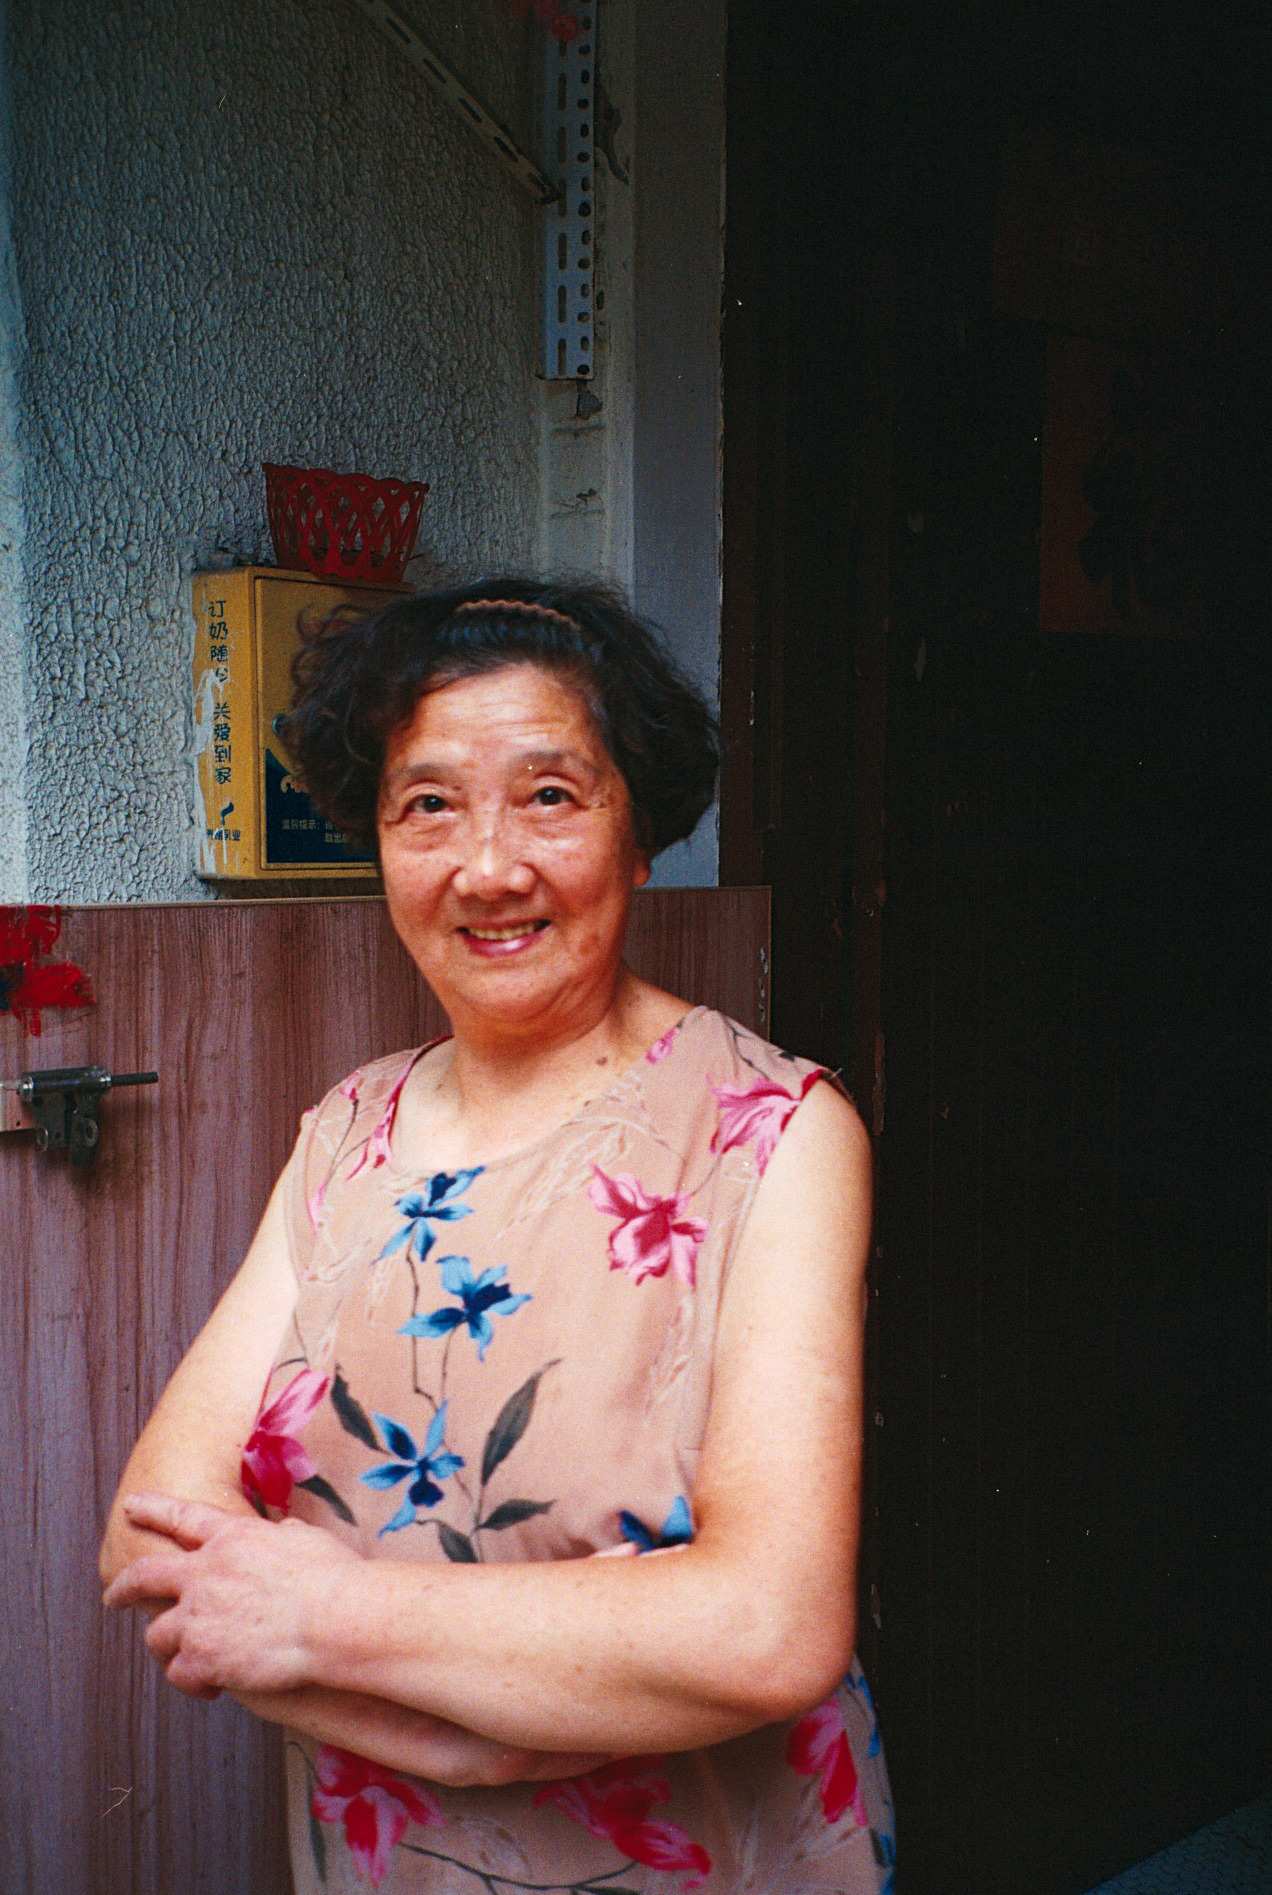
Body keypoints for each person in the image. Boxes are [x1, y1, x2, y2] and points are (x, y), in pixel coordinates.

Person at [101, 581, 894, 1894]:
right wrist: (452, 1739)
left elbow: (767, 1630)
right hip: (389, 1857)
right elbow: (152, 1548)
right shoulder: (345, 1135)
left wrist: (326, 1617)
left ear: (639, 835)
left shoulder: (773, 1132)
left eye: (550, 796)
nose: (486, 867)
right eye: (427, 805)